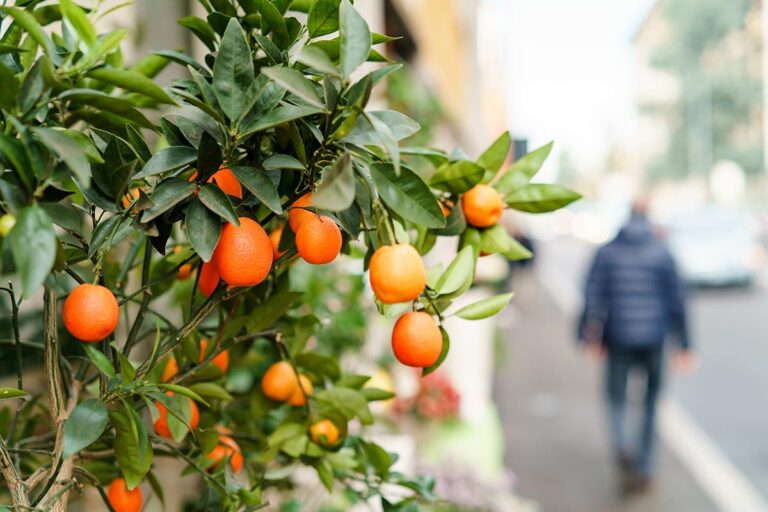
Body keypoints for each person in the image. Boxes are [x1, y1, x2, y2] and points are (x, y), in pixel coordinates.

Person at [578, 200, 694, 493]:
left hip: (618, 337)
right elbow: (678, 300)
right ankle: (644, 466)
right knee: (650, 403)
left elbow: (592, 294)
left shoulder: (607, 252)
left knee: (616, 399)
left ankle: (622, 445)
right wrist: (685, 344)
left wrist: (589, 336)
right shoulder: (661, 252)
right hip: (655, 339)